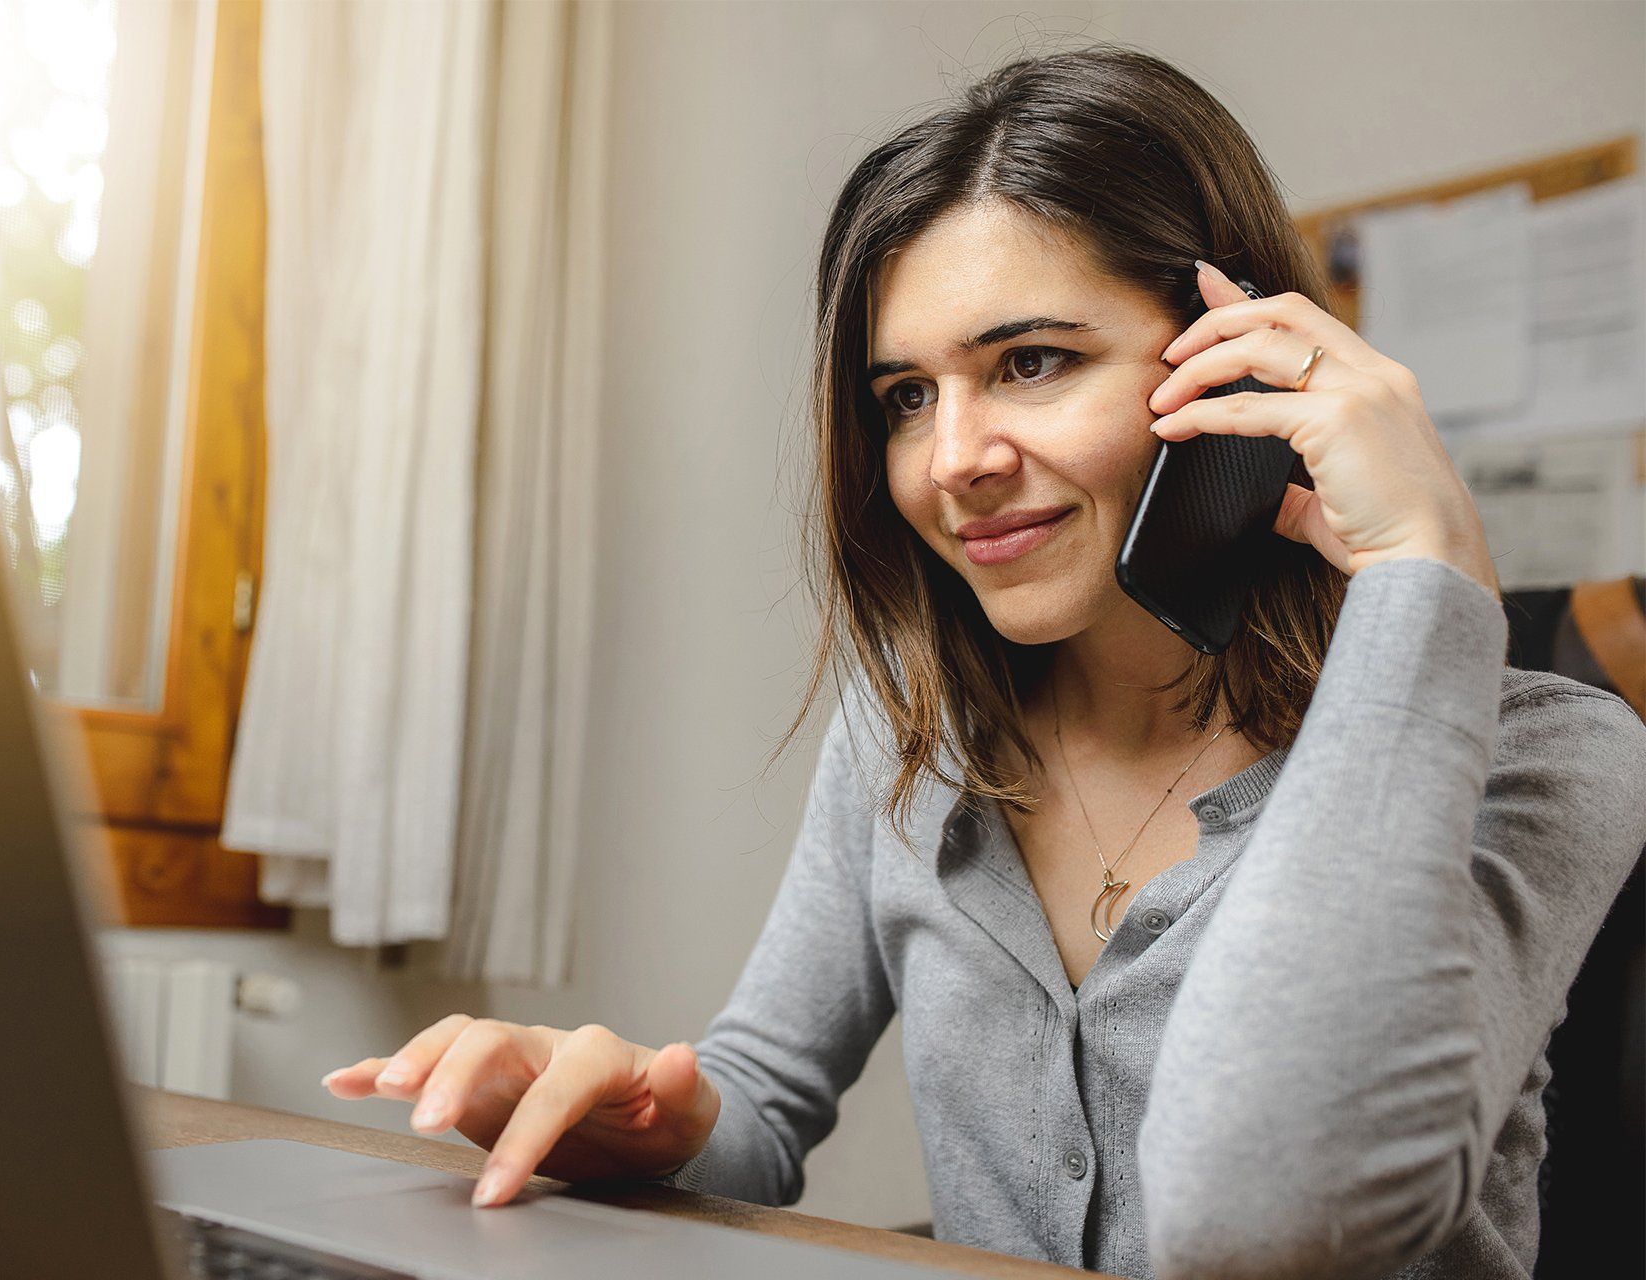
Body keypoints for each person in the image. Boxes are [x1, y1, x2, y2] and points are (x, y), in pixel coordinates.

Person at [318, 45, 1646, 1279]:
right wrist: (641, 1114)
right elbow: (760, 1110)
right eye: (906, 396)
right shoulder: (910, 732)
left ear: (1245, 363)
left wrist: (1421, 567)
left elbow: (1263, 1213)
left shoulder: (1547, 754)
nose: (953, 459)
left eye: (1031, 362)